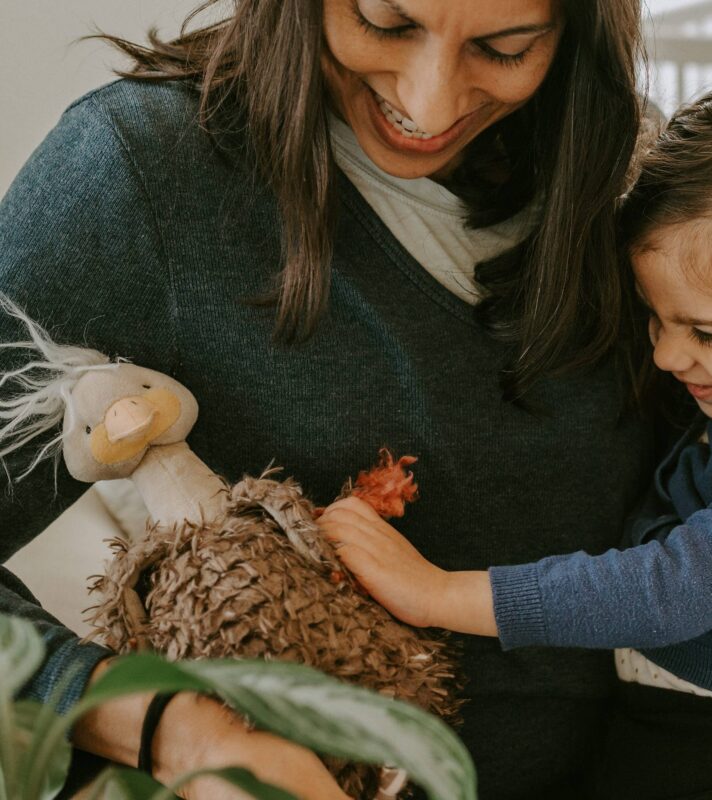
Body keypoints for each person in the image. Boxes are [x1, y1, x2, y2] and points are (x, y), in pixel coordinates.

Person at [0, 1, 654, 798]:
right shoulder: (141, 172)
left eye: (504, 48)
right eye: (384, 22)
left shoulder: (633, 185)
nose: (430, 102)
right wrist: (173, 733)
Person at [319, 72, 712, 798]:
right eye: (655, 318)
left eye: (708, 333)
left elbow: (671, 588)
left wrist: (439, 594)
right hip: (676, 727)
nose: (667, 356)